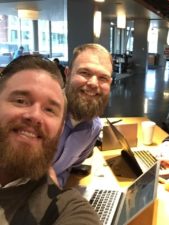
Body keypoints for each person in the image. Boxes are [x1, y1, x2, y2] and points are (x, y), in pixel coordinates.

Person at [0, 55, 101, 225]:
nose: (35, 116)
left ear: (60, 128)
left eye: (49, 110)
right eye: (20, 101)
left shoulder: (65, 209)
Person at [51, 43, 113, 188]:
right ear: (67, 74)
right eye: (84, 73)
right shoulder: (39, 116)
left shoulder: (94, 128)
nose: (93, 83)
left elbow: (66, 169)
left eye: (103, 78)